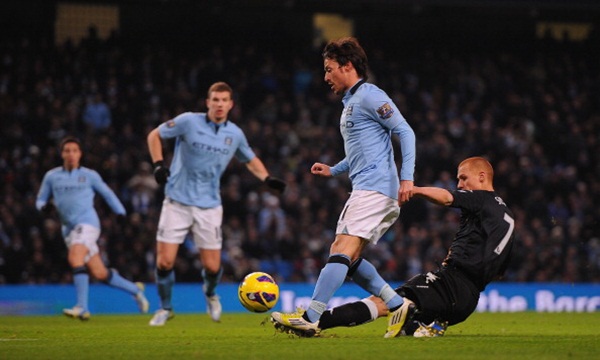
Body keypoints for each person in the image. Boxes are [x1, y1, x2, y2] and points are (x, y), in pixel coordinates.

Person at [270, 37, 417, 338]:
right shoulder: (351, 102)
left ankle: (311, 317)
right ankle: (397, 304)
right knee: (348, 260)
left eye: (329, 69)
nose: (325, 77)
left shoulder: (370, 95)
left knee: (340, 250)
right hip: (369, 188)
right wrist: (334, 169)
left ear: (347, 66)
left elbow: (405, 131)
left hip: (374, 189)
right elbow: (361, 151)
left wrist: (407, 178)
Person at [273, 157, 515, 338]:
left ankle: (314, 322)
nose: (459, 183)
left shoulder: (481, 199)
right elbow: (500, 269)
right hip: (468, 299)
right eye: (459, 178)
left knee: (386, 302)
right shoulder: (504, 213)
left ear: (482, 177)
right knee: (403, 320)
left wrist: (415, 190)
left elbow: (446, 197)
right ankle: (423, 328)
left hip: (451, 283)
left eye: (464, 178)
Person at [146, 81, 286, 326]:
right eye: (215, 100)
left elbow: (250, 159)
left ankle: (210, 294)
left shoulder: (235, 134)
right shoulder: (189, 121)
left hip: (209, 206)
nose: (219, 104)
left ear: (230, 104)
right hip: (176, 201)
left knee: (212, 267)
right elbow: (154, 135)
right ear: (207, 102)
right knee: (164, 262)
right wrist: (158, 164)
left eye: (224, 100)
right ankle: (165, 308)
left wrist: (266, 177)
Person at [36, 136, 149, 320]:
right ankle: (135, 290)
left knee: (75, 257)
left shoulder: (89, 176)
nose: (71, 154)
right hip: (68, 229)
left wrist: (120, 213)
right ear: (61, 154)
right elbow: (40, 199)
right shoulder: (52, 176)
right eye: (67, 151)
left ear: (80, 154)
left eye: (74, 150)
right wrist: (44, 207)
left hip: (87, 223)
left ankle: (82, 307)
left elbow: (107, 193)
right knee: (99, 272)